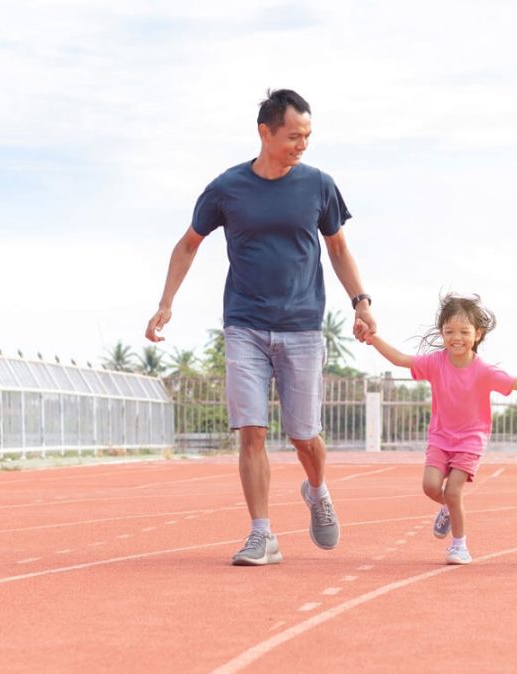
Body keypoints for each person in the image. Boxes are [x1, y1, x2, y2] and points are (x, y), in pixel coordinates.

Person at [145, 89, 377, 566]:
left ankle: (316, 490)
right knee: (251, 431)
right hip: (245, 324)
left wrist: (361, 302)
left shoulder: (319, 186)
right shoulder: (227, 188)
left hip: (303, 327)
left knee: (305, 437)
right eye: (294, 136)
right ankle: (262, 534)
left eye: (308, 136)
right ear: (265, 132)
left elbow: (337, 249)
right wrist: (166, 302)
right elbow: (188, 245)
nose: (302, 145)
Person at [365, 294, 517, 564]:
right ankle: (447, 508)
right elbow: (399, 358)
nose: (457, 337)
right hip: (440, 438)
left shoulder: (484, 371)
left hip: (470, 440)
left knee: (453, 491)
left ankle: (459, 545)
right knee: (431, 487)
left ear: (477, 334)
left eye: (464, 332)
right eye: (449, 331)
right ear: (441, 333)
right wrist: (372, 338)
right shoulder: (434, 363)